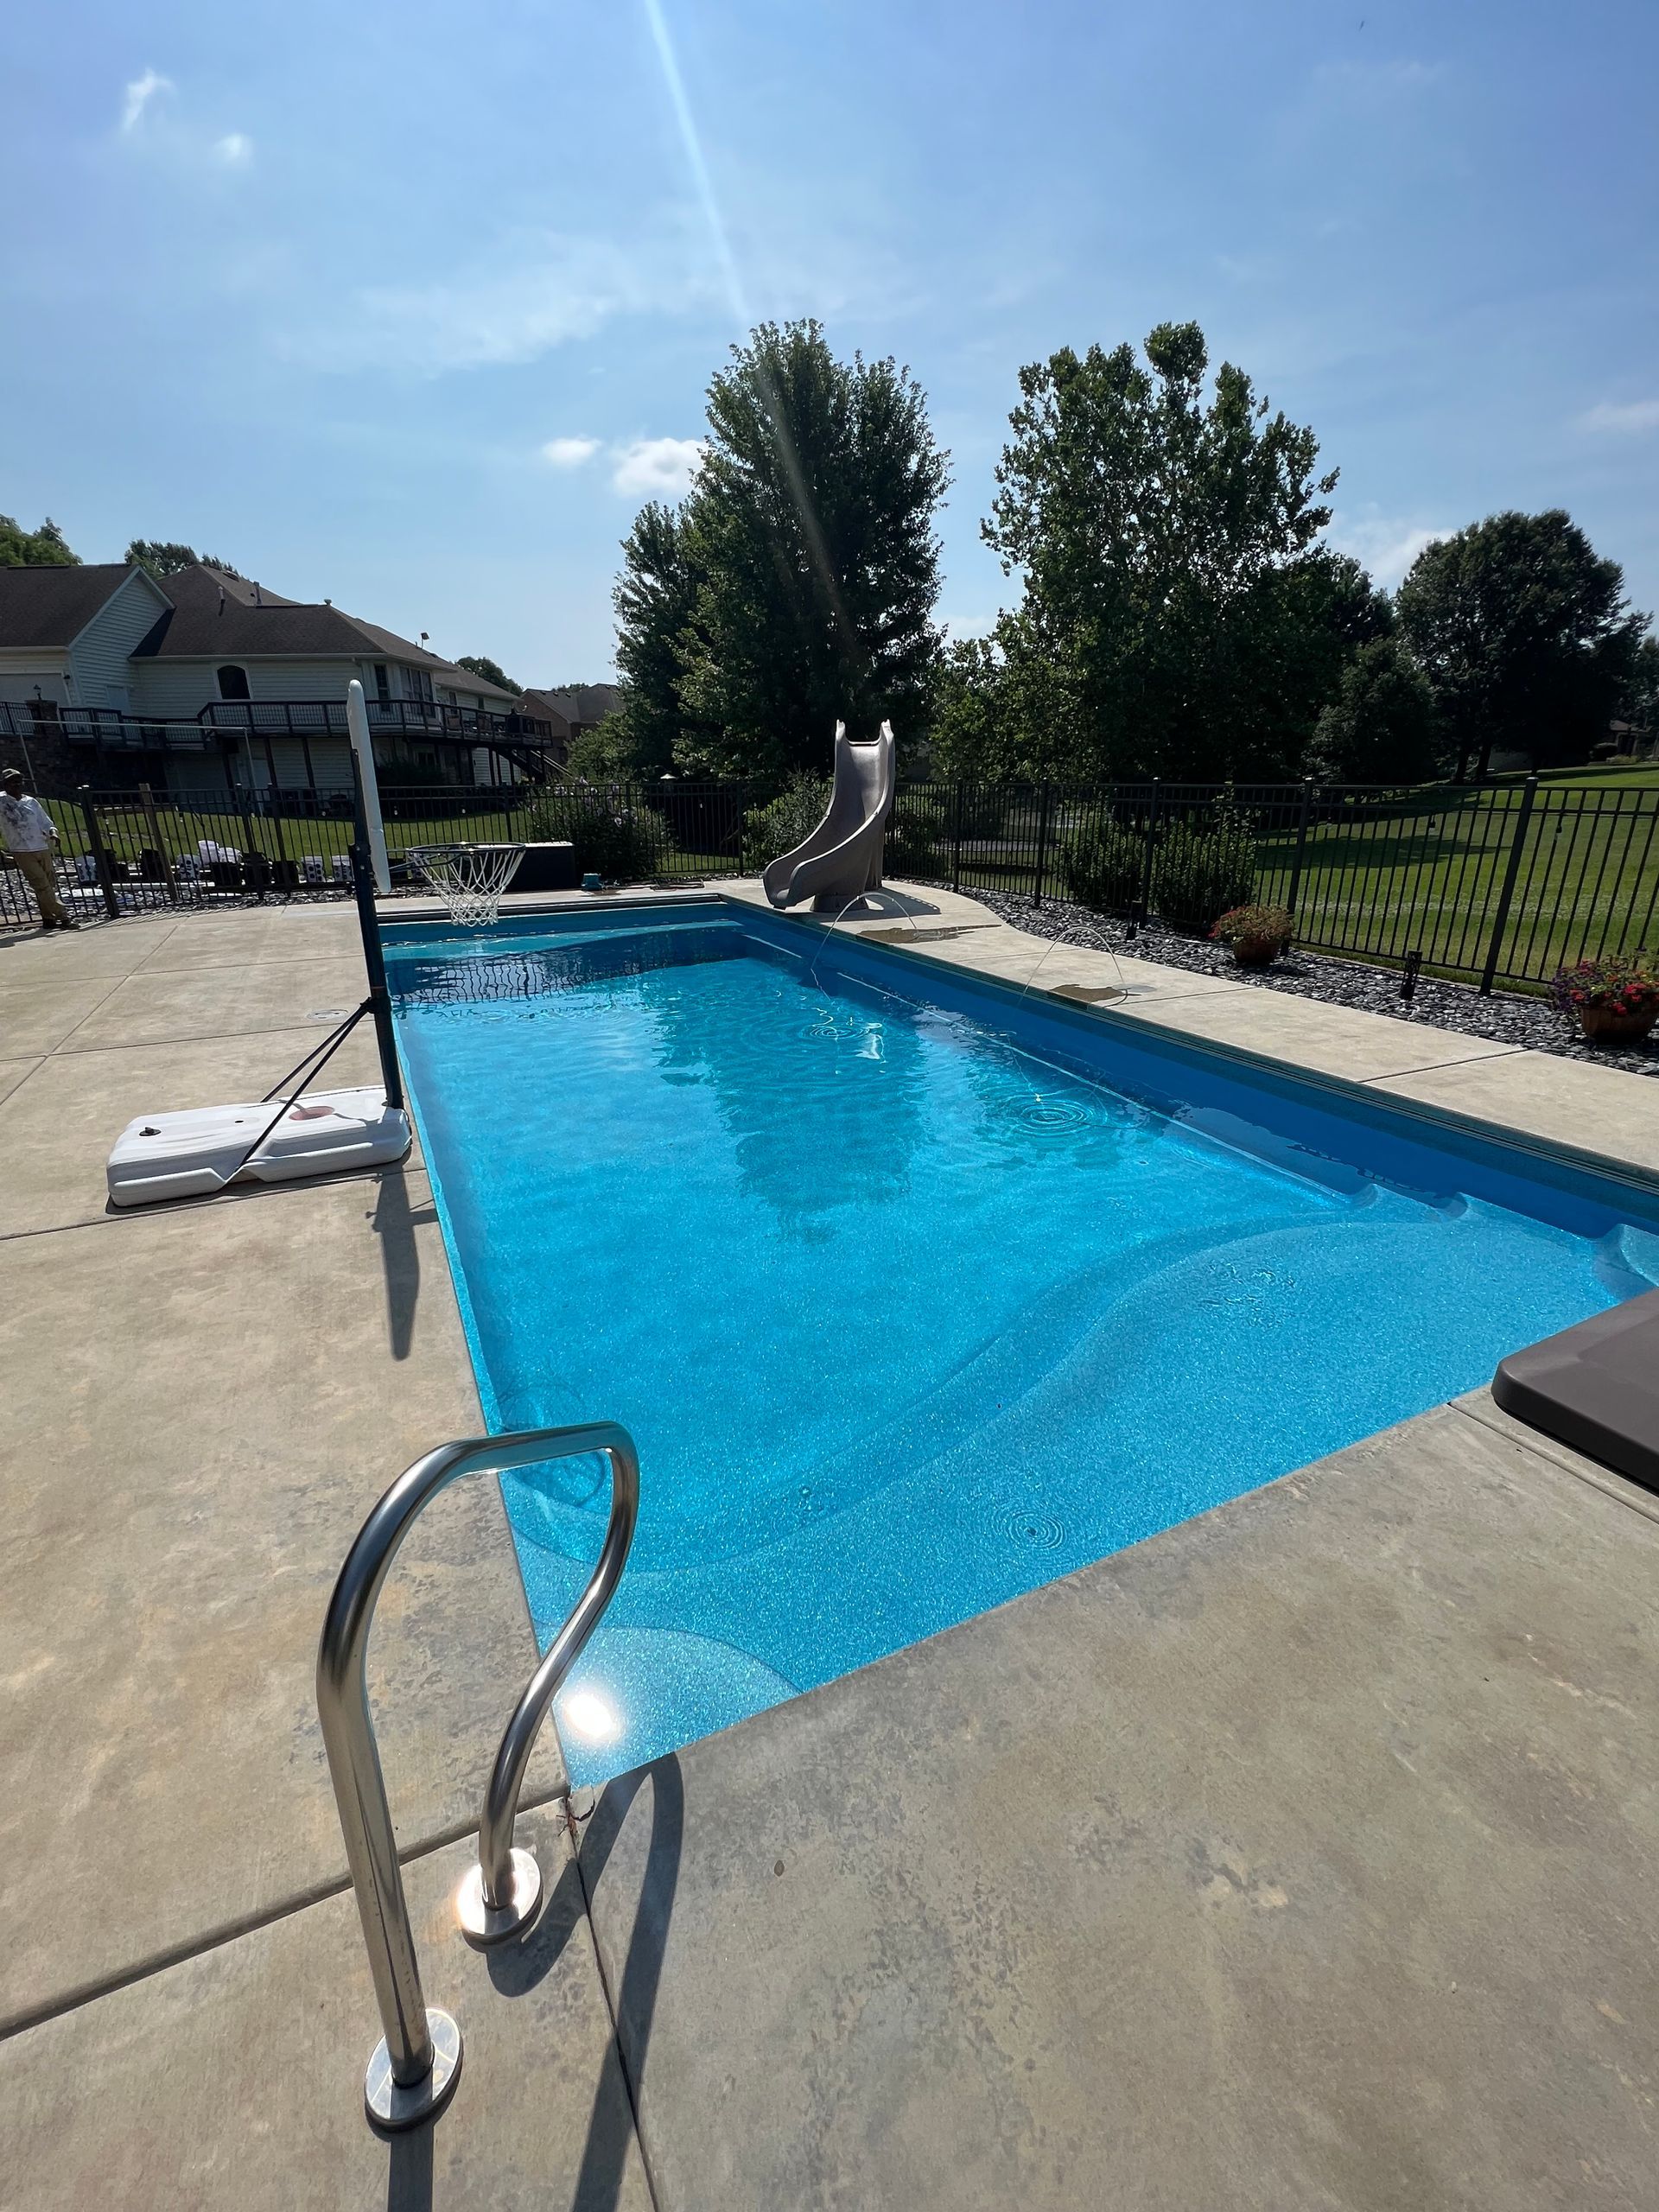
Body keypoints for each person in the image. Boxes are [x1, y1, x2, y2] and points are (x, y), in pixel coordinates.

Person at [0, 767, 78, 930]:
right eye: (12, 782)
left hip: (42, 846)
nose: (17, 785)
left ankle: (48, 918)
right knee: (40, 884)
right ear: (5, 784)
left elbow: (45, 822)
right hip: (21, 850)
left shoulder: (30, 801)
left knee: (48, 885)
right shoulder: (1, 801)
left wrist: (53, 833)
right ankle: (63, 916)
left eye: (19, 782)